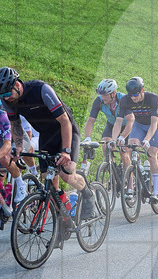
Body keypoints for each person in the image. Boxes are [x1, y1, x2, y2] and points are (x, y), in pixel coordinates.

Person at [0, 67, 95, 215]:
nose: (6, 98)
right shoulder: (8, 99)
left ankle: (88, 194)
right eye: (2, 96)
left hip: (66, 130)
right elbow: (15, 124)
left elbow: (64, 121)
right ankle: (63, 215)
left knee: (67, 173)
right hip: (46, 134)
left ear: (17, 85)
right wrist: (18, 146)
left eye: (7, 94)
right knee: (49, 181)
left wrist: (66, 151)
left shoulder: (41, 89)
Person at [109, 76, 158, 205]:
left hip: (154, 125)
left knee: (151, 154)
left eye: (136, 95)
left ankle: (156, 191)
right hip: (138, 125)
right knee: (132, 146)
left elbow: (154, 123)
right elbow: (118, 122)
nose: (133, 98)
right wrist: (115, 139)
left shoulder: (153, 98)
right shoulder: (125, 100)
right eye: (131, 95)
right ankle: (139, 169)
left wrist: (147, 139)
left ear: (142, 90)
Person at [83, 78, 133, 144]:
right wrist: (87, 138)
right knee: (105, 144)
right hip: (111, 124)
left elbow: (131, 120)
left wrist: (122, 137)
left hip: (127, 125)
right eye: (101, 94)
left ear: (113, 93)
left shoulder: (123, 100)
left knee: (124, 152)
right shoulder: (99, 101)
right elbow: (91, 120)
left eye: (105, 95)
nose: (103, 97)